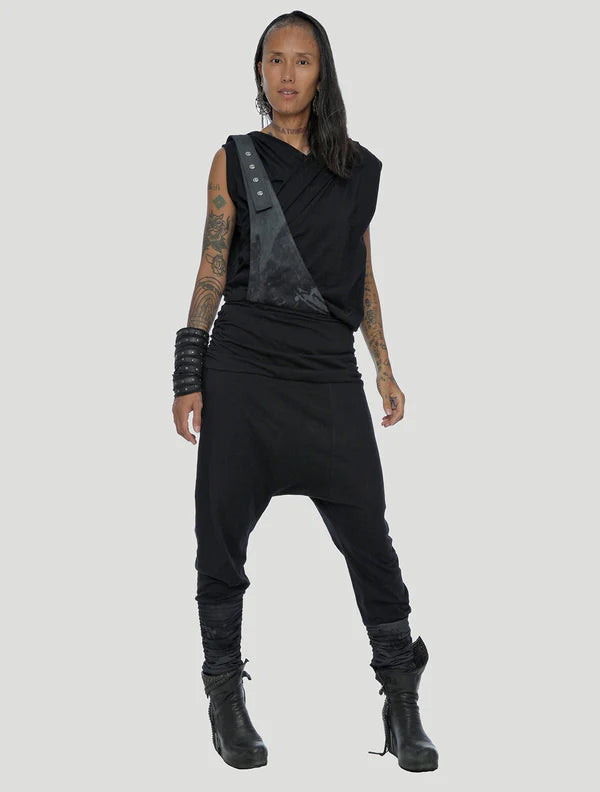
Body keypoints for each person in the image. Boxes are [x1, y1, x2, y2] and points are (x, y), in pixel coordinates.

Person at [172, 10, 438, 773]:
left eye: (302, 61)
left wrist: (383, 365)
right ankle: (225, 696)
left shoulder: (357, 169)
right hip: (244, 368)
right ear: (259, 71)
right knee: (219, 535)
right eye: (275, 59)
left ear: (322, 75)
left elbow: (363, 273)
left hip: (326, 373)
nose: (287, 74)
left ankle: (401, 699)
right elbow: (211, 268)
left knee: (370, 541)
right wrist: (189, 371)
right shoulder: (235, 158)